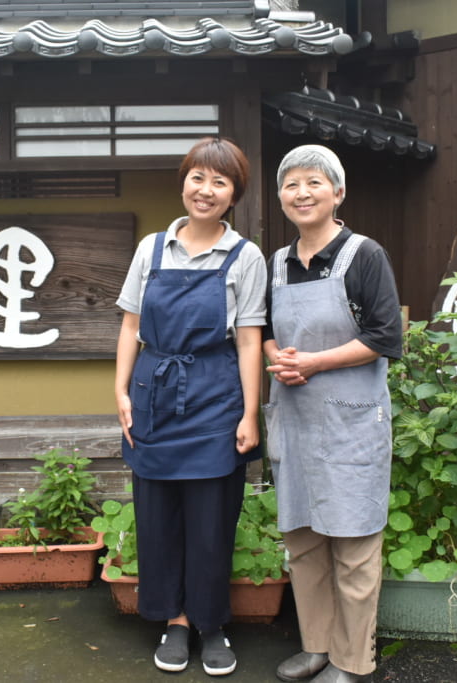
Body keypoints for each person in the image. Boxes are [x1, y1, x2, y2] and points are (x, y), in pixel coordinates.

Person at [114, 136, 267, 677]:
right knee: (157, 516)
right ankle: (174, 620)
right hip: (154, 392)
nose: (205, 190)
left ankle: (211, 623)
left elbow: (249, 338)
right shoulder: (151, 249)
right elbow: (132, 325)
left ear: (233, 195)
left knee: (211, 519)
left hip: (215, 393)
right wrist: (120, 391)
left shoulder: (245, 256)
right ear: (184, 181)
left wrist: (251, 413)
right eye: (197, 177)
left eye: (219, 182)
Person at [262, 145, 402, 683]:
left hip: (351, 421)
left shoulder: (364, 255)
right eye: (291, 184)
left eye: (314, 183)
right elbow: (263, 330)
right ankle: (316, 645)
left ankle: (351, 661)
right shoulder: (276, 263)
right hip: (296, 417)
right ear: (281, 197)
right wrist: (280, 360)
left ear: (337, 193)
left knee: (353, 544)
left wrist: (315, 362)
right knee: (303, 541)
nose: (302, 193)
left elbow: (386, 337)